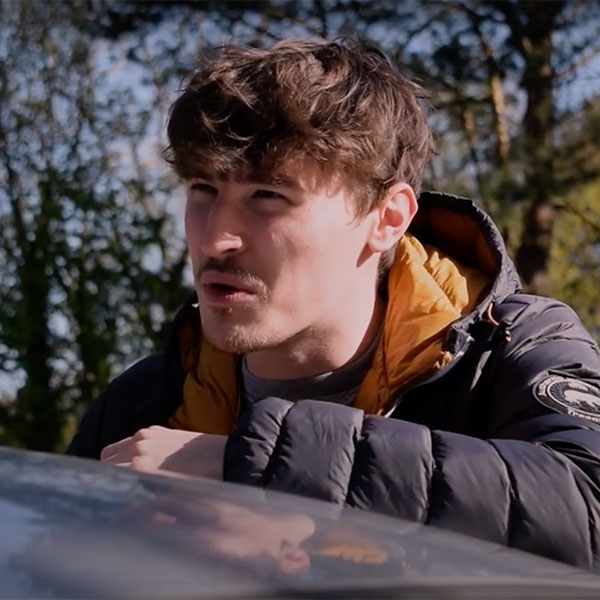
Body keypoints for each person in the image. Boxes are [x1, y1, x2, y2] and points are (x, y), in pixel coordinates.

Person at [67, 38, 600, 570]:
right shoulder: (143, 402)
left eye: (267, 197)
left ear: (387, 218)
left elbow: (588, 502)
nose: (214, 239)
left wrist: (250, 462)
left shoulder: (509, 347)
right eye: (202, 189)